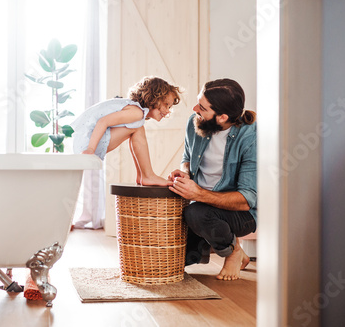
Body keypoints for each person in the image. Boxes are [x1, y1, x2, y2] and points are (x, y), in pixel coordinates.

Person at [168, 78, 257, 280]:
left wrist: (198, 194)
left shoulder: (250, 137)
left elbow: (246, 200)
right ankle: (226, 245)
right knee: (172, 259)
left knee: (196, 214)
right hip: (200, 207)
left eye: (202, 107)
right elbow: (187, 158)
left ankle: (233, 252)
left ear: (222, 117)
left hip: (241, 215)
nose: (194, 108)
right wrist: (185, 172)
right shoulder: (196, 122)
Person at [71, 76, 182, 186]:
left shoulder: (133, 109)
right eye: (166, 105)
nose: (167, 111)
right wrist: (90, 149)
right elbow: (102, 121)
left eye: (170, 107)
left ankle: (143, 176)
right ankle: (147, 175)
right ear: (154, 98)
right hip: (87, 145)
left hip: (86, 141)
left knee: (138, 127)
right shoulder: (136, 112)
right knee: (138, 127)